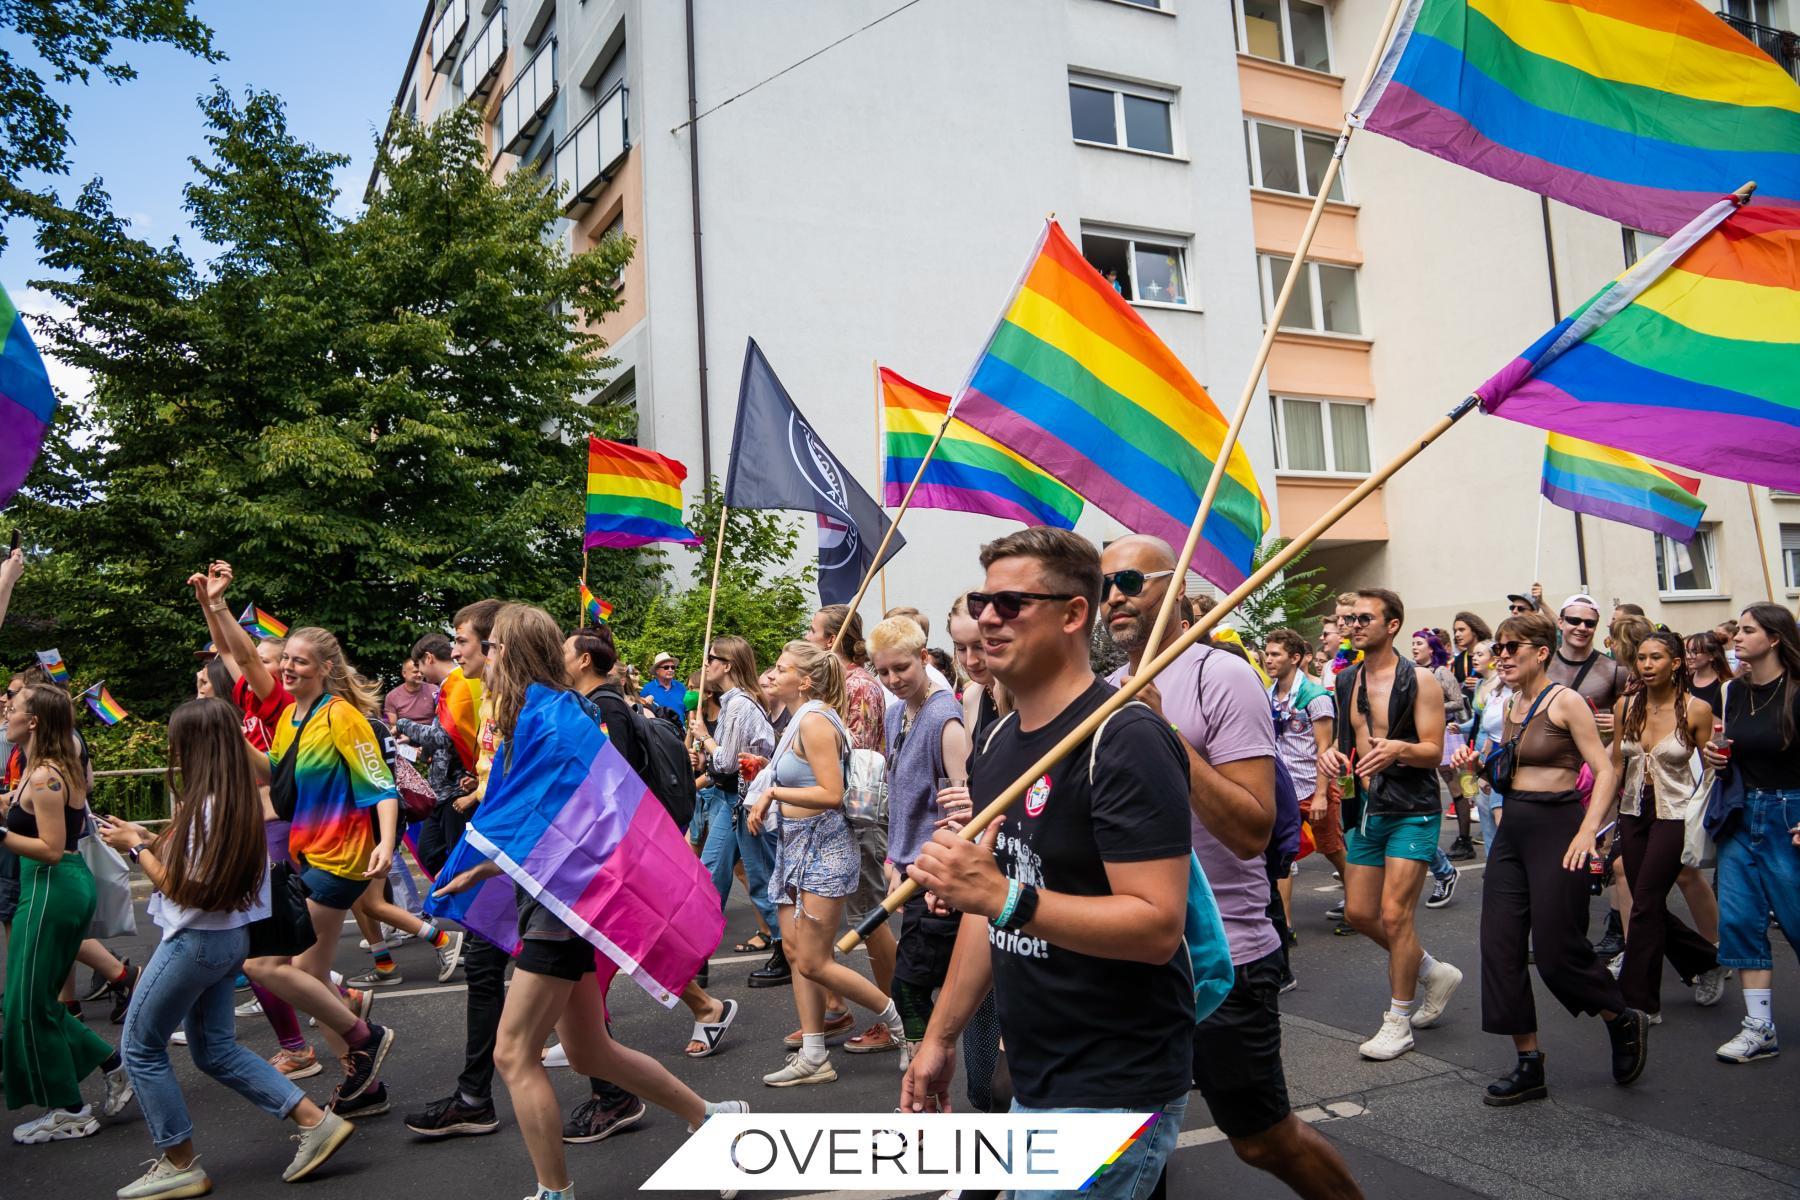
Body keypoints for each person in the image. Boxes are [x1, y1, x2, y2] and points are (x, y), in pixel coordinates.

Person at [900, 528, 1195, 1200]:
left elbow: (1156, 927)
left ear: (1073, 614)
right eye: (982, 602)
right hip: (1038, 1075)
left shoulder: (1125, 737)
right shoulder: (1002, 739)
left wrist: (1003, 895)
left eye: (1011, 603)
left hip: (1114, 1081)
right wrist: (940, 1037)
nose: (987, 618)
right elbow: (987, 908)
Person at [432, 604, 747, 1200]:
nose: (474, 654)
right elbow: (533, 810)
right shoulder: (539, 713)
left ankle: (555, 1192)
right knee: (587, 1051)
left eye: (487, 646)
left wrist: (484, 862)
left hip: (561, 905)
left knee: (513, 1054)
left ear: (510, 652)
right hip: (555, 900)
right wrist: (484, 862)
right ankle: (712, 1117)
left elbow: (561, 818)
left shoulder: (551, 719)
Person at [1099, 539, 1361, 1199]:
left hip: (1224, 955)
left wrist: (1161, 732)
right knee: (1125, 1142)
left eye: (1128, 580)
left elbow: (1249, 830)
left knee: (1260, 1138)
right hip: (1133, 955)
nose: (1113, 598)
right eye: (1102, 586)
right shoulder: (1102, 692)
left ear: (1176, 587)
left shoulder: (1221, 675)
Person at [99, 698, 355, 1195]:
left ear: (194, 746)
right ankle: (314, 1121)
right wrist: (146, 839)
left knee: (140, 1048)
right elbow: (202, 871)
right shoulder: (234, 798)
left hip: (196, 941)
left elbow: (187, 890)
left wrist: (137, 848)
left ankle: (179, 1163)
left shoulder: (206, 806)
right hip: (227, 940)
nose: (172, 751)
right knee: (215, 1050)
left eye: (176, 741)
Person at [1452, 609, 1648, 1104]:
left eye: (1510, 647)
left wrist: (1588, 832)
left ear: (1541, 652)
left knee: (1558, 951)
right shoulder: (1510, 703)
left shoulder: (1566, 701)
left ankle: (1619, 1016)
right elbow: (1506, 775)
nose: (1501, 656)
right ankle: (1528, 1064)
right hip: (1513, 830)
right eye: (1497, 648)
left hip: (1558, 827)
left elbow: (1606, 771)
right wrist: (1475, 767)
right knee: (1499, 946)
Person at [240, 625, 405, 1117]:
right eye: (285, 659)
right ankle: (363, 1085)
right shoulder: (290, 718)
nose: (287, 668)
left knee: (264, 964)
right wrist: (230, 734)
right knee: (310, 974)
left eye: (299, 661)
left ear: (325, 668)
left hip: (342, 858)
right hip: (309, 855)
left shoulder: (342, 715)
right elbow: (275, 774)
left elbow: (381, 786)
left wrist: (386, 844)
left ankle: (366, 1035)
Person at [568, 627, 740, 1074]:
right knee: (599, 937)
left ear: (584, 660)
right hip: (604, 840)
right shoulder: (595, 701)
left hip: (615, 841)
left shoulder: (605, 705)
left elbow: (613, 778)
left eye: (565, 650)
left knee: (631, 932)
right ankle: (588, 1031)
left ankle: (706, 1007)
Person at [746, 640, 904, 1087]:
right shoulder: (799, 718)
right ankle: (815, 1055)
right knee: (796, 953)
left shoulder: (815, 721)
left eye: (782, 668)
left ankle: (902, 1024)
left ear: (805, 681)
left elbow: (831, 794)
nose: (773, 674)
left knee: (815, 961)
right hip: (795, 846)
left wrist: (772, 793)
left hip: (824, 847)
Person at [1320, 589, 1463, 1062]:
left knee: (1397, 915)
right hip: (1365, 807)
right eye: (1350, 620)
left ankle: (1398, 1021)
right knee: (1361, 913)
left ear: (1393, 624)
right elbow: (1345, 742)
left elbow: (1433, 751)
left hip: (1411, 810)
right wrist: (1331, 758)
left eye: (1365, 618)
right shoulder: (1346, 679)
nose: (1353, 626)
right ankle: (1432, 970)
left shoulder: (1420, 680)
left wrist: (1399, 749)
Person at [2, 683, 136, 1144]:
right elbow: (22, 810)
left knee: (27, 1005)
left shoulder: (45, 776)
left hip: (50, 887)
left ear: (34, 721)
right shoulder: (44, 769)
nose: (7, 711)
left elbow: (52, 849)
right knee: (32, 1002)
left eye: (14, 707)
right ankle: (112, 1064)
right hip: (50, 889)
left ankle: (71, 1110)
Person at [869, 615, 970, 1066]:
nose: (893, 679)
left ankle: (925, 1068)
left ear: (923, 658)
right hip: (907, 867)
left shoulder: (946, 719)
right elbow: (900, 794)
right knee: (918, 983)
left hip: (935, 873)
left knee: (910, 986)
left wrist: (937, 872)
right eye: (883, 671)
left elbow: (961, 809)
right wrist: (894, 858)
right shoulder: (894, 713)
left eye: (902, 668)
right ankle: (922, 1067)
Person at [1703, 604, 1800, 1065]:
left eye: (1747, 630)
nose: (1736, 638)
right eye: (1737, 630)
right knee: (1740, 920)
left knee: (1796, 919)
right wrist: (1716, 756)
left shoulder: (1797, 689)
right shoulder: (1733, 690)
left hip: (1790, 813)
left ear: (1775, 638)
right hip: (1740, 812)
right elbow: (1732, 749)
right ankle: (1759, 1027)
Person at [1609, 631, 1724, 1021]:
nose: (1646, 664)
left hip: (1675, 814)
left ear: (1675, 664)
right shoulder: (1626, 705)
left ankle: (1639, 1003)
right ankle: (1706, 960)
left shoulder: (1696, 709)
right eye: (1641, 657)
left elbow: (1712, 771)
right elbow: (1616, 765)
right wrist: (1597, 821)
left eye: (1655, 657)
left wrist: (1716, 820)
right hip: (1632, 811)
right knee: (1649, 903)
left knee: (1644, 904)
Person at [801, 604, 901, 1040]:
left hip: (857, 813)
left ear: (832, 639)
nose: (807, 636)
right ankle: (836, 1006)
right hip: (834, 815)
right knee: (824, 921)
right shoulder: (838, 684)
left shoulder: (856, 685)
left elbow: (851, 752)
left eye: (812, 630)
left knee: (869, 917)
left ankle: (900, 1015)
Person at [690, 637, 780, 981]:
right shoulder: (733, 702)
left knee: (760, 879)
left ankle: (789, 950)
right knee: (710, 875)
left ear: (727, 665)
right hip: (733, 801)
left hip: (747, 803)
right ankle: (698, 956)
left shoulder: (740, 704)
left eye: (711, 658)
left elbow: (727, 762)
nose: (706, 664)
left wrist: (705, 737)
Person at [1266, 628, 1350, 910]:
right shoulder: (1268, 695)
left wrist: (1322, 795)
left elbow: (1324, 750)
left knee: (1332, 849)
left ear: (1294, 658)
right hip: (1282, 790)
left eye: (1275, 654)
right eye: (1267, 654)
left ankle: (1358, 906)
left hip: (1312, 787)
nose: (1269, 660)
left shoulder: (1315, 696)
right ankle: (1286, 925)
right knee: (1282, 854)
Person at [1414, 628, 1473, 861]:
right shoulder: (1414, 671)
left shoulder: (1441, 672)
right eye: (1413, 643)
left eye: (1419, 643)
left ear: (1431, 649)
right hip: (1423, 734)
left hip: (1447, 734)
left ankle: (1465, 840)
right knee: (1425, 788)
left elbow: (1457, 702)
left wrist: (1431, 706)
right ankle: (1423, 840)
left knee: (1458, 786)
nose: (1414, 647)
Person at [1468, 640, 1509, 855]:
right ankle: (1493, 863)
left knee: (1500, 818)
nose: (1474, 658)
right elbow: (1483, 725)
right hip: (1484, 755)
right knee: (1484, 810)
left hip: (1507, 763)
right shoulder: (1490, 690)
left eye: (1480, 654)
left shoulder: (1511, 689)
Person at [383, 655, 438, 728]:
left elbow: (442, 718)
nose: (419, 675)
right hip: (405, 733)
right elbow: (392, 725)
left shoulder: (434, 690)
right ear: (404, 673)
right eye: (415, 672)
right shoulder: (392, 696)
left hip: (431, 731)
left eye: (421, 672)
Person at [1685, 631, 1732, 717]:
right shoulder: (1684, 681)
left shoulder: (1725, 685)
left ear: (1711, 656)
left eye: (1695, 652)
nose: (1688, 657)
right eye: (1687, 651)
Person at [1451, 612, 1493, 698]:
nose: (1457, 634)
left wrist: (1481, 684)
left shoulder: (1491, 653)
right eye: (1455, 631)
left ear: (1474, 631)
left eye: (1461, 630)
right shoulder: (1458, 660)